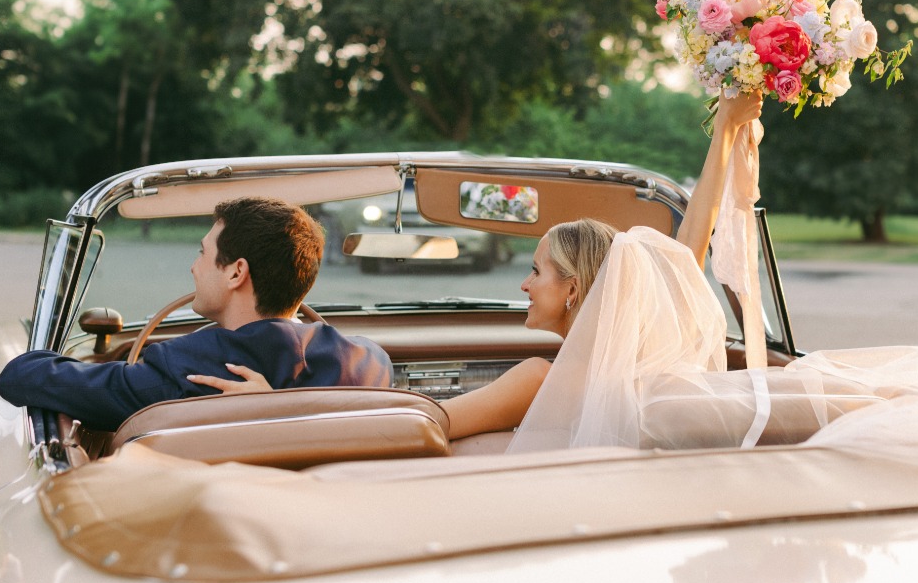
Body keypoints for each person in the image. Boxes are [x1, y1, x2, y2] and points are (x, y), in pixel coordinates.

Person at [192, 90, 767, 440]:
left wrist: (277, 407)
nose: (522, 282)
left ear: (573, 291)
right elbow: (687, 254)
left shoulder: (543, 378)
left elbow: (419, 424)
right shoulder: (644, 372)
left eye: (538, 271)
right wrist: (726, 129)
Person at [0, 197, 393, 431]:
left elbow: (21, 377)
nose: (194, 267)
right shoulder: (370, 364)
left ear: (237, 271)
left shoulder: (188, 370)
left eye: (202, 253)